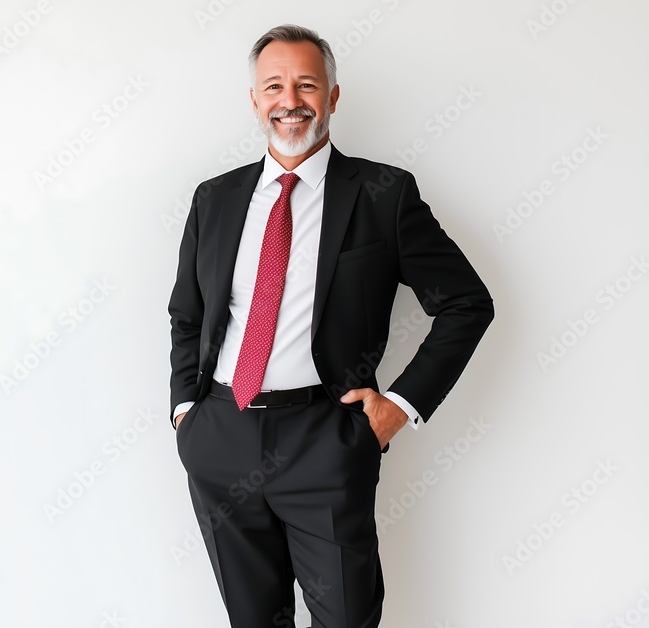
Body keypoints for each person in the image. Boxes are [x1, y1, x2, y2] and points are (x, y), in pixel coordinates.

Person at [167, 24, 494, 628]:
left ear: (333, 97)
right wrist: (186, 408)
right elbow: (187, 313)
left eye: (306, 84)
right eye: (274, 85)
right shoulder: (213, 199)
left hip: (326, 438)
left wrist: (397, 406)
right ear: (256, 100)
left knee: (345, 619)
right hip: (220, 436)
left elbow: (467, 303)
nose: (290, 99)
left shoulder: (383, 194)